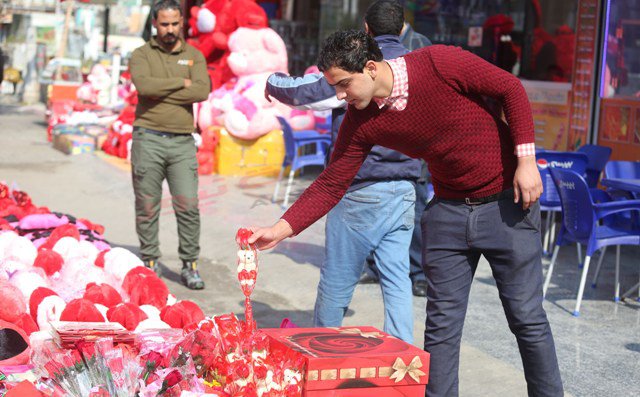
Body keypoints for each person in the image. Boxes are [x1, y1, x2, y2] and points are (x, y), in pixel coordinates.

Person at [243, 30, 563, 396]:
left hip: (507, 204)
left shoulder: (438, 62)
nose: (341, 96)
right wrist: (280, 229)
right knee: (441, 327)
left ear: (370, 67)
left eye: (345, 85)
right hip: (448, 212)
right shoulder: (360, 121)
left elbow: (511, 88)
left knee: (526, 319)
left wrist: (526, 161)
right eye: (336, 87)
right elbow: (332, 182)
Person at [265, 0, 423, 343]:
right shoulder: (413, 66)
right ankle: (402, 359)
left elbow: (306, 92)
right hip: (406, 188)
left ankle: (320, 351)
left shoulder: (353, 67)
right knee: (397, 279)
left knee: (338, 279)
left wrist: (272, 82)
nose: (343, 93)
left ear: (366, 30)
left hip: (359, 189)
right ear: (403, 29)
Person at [129, 0, 210, 289]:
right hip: (147, 138)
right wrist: (182, 82)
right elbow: (144, 88)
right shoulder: (140, 55)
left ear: (182, 22)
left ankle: (190, 265)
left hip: (182, 143)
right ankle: (149, 262)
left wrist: (162, 90)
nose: (170, 29)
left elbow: (202, 90)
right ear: (155, 23)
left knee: (188, 204)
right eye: (165, 24)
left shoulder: (194, 55)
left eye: (175, 23)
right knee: (147, 206)